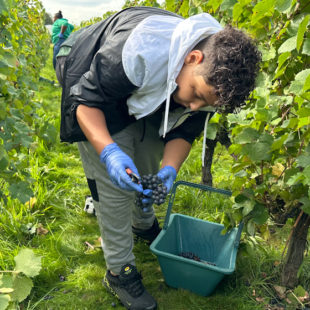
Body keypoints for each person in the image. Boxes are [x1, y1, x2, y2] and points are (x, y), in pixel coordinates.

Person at [55, 6, 261, 310]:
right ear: (192, 58)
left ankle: (142, 224)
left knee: (149, 153)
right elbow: (86, 103)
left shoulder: (213, 76)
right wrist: (110, 152)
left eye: (205, 103)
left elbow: (185, 130)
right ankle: (119, 271)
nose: (194, 107)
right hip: (90, 79)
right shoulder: (138, 52)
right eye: (196, 94)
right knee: (115, 185)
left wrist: (168, 169)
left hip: (146, 85)